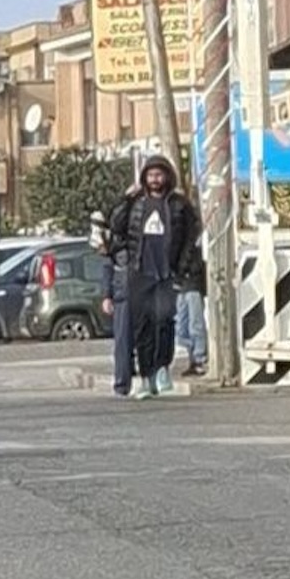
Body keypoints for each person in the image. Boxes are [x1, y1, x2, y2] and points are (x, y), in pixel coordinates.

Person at [109, 155, 200, 400]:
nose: (155, 180)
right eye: (151, 175)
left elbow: (192, 237)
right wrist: (125, 198)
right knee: (142, 327)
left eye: (159, 175)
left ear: (167, 176)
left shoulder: (179, 204)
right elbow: (116, 227)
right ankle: (146, 377)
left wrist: (183, 268)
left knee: (164, 322)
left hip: (167, 274)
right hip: (140, 273)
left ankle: (162, 369)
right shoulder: (136, 202)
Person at [92, 208, 135, 397]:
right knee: (123, 340)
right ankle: (122, 383)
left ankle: (152, 377)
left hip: (142, 288)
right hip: (124, 290)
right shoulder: (114, 238)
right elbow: (107, 264)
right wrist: (107, 295)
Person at [171, 239, 209, 377]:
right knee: (182, 327)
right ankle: (193, 358)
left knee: (195, 325)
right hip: (183, 287)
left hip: (192, 286)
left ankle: (199, 360)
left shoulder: (194, 243)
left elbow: (197, 265)